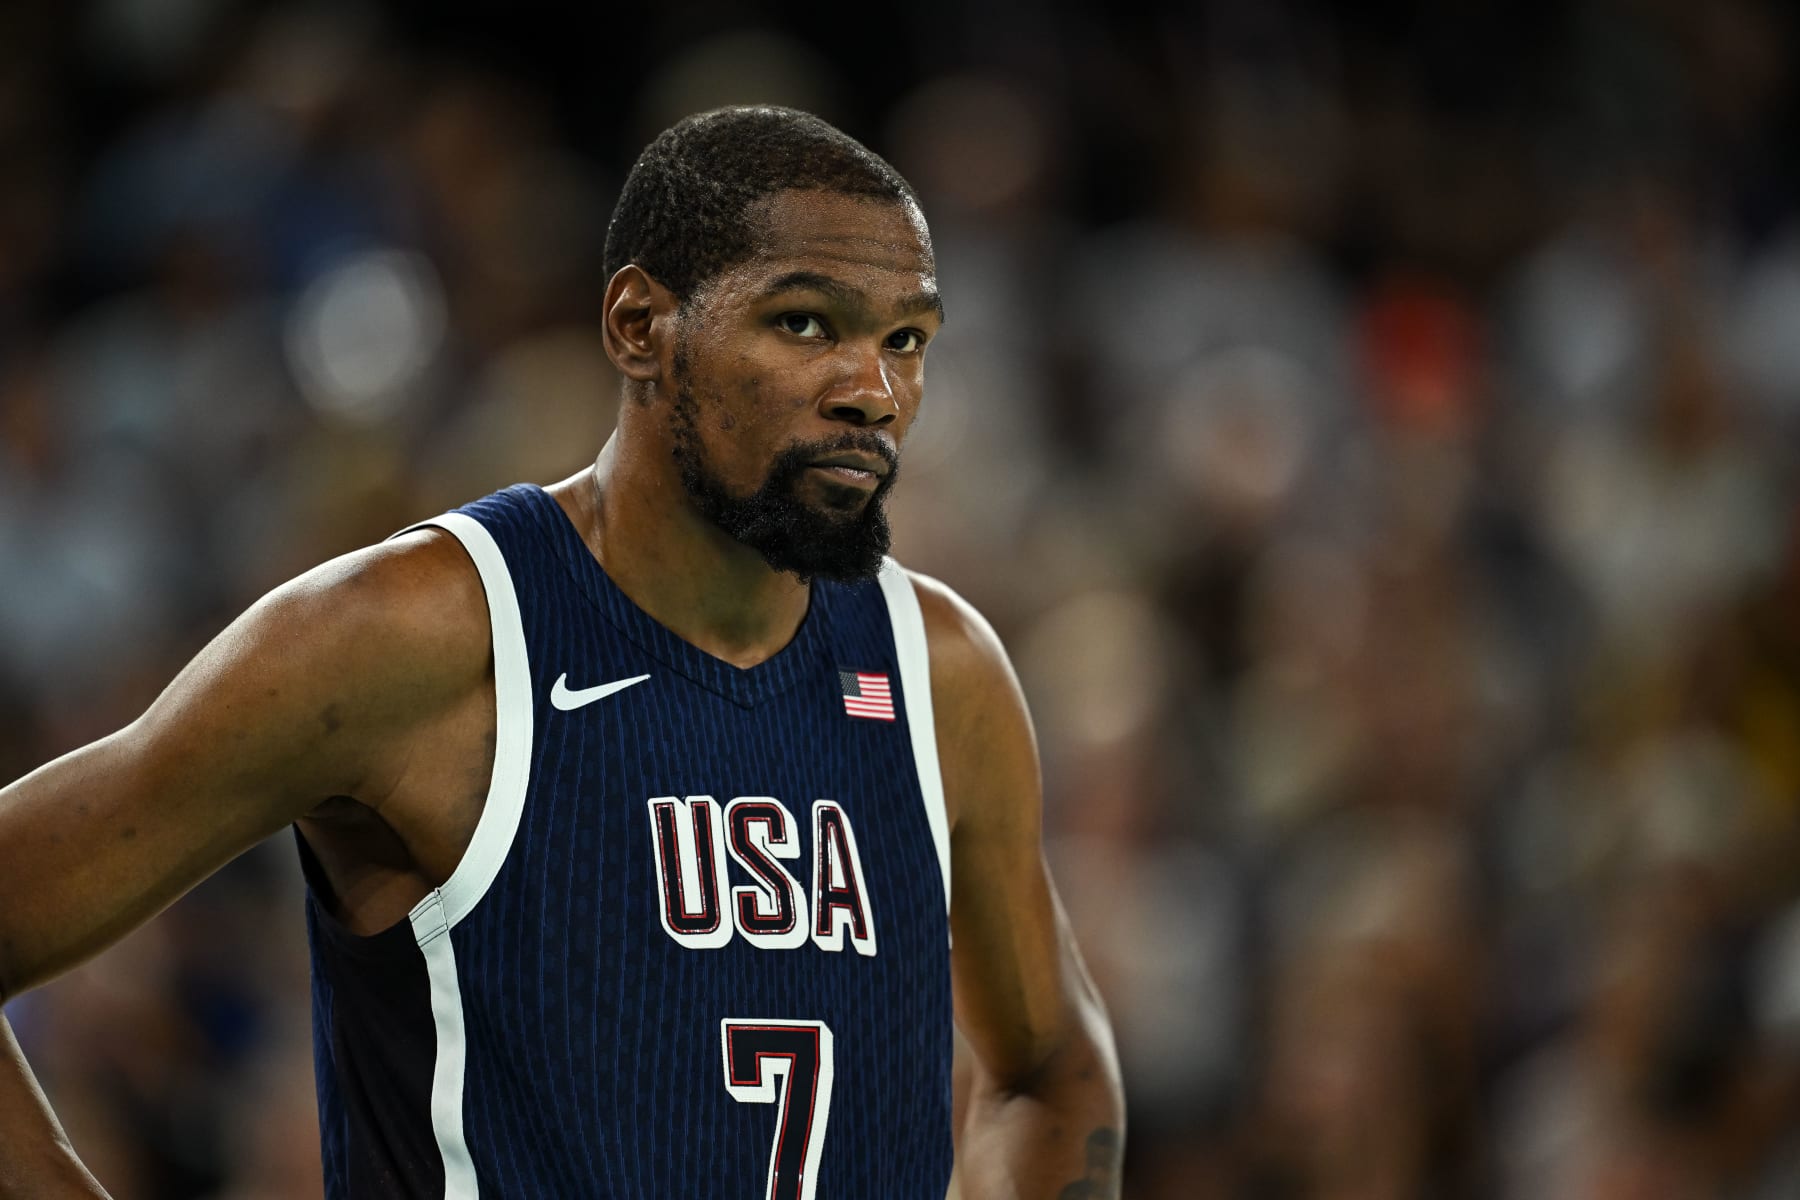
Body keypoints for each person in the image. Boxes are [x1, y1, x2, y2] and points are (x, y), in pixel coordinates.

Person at [0, 106, 1123, 1199]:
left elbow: (1053, 1077)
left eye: (905, 340)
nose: (871, 393)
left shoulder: (942, 672)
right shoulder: (412, 638)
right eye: (806, 324)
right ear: (639, 327)